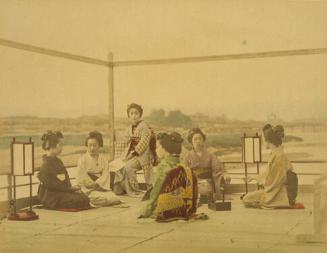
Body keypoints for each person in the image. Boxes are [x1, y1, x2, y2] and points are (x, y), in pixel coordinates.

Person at [139, 132, 198, 221]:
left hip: (165, 210)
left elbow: (156, 192)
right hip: (184, 209)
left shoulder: (163, 167)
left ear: (165, 149)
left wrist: (145, 211)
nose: (156, 150)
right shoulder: (183, 167)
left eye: (158, 147)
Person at [242, 124, 293, 209]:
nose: (263, 142)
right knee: (247, 198)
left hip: (277, 192)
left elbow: (276, 179)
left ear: (268, 140)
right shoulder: (275, 153)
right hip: (274, 189)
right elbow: (270, 174)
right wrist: (254, 177)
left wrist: (262, 182)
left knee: (246, 199)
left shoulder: (279, 155)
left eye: (263, 140)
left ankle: (270, 202)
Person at [37, 131, 90, 209]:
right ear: (52, 145)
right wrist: (70, 189)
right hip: (51, 196)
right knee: (77, 200)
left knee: (84, 198)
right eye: (60, 144)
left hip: (61, 192)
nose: (62, 147)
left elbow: (64, 181)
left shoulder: (58, 161)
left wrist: (72, 189)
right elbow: (54, 185)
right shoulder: (46, 165)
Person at [115, 103, 154, 194]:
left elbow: (143, 143)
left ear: (140, 115)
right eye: (131, 113)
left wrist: (132, 154)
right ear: (129, 116)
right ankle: (131, 188)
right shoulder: (129, 129)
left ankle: (142, 189)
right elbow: (125, 141)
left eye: (136, 113)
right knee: (122, 165)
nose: (134, 116)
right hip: (133, 155)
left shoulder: (144, 127)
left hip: (144, 155)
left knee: (129, 167)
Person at [184, 128, 230, 201]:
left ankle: (205, 197)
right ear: (191, 142)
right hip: (194, 182)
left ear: (203, 140)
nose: (198, 141)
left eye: (200, 138)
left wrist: (224, 175)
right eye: (195, 139)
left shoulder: (210, 155)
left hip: (208, 182)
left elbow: (217, 170)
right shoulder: (188, 156)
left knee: (207, 187)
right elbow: (185, 172)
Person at [77, 131, 121, 207]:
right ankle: (90, 200)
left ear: (99, 145)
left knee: (115, 198)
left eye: (94, 145)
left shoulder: (103, 160)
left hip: (101, 188)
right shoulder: (82, 160)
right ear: (86, 146)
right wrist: (92, 185)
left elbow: (105, 175)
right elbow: (81, 177)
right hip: (88, 190)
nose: (92, 148)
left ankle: (92, 201)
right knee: (95, 198)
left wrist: (97, 184)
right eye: (89, 145)